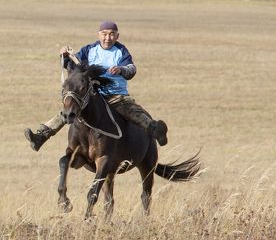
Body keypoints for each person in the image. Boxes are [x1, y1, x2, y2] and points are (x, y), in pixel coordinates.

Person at [24, 21, 168, 151]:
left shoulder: (121, 51)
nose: (108, 38)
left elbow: (131, 69)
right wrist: (65, 56)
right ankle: (41, 137)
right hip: (93, 95)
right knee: (68, 111)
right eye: (104, 34)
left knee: (131, 111)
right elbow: (73, 67)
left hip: (116, 95)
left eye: (112, 34)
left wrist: (121, 69)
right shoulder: (89, 49)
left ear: (117, 36)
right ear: (99, 35)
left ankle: (155, 129)